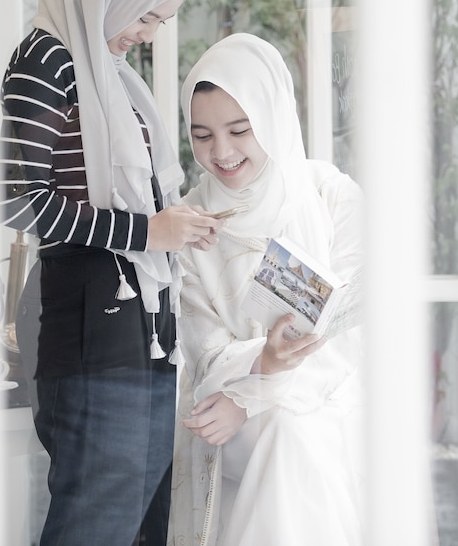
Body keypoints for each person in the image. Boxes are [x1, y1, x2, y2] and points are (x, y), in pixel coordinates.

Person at [0, 0, 222, 546]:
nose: (146, 35)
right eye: (144, 16)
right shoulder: (45, 60)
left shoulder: (111, 76)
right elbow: (15, 199)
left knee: (144, 525)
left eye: (159, 23)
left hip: (143, 327)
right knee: (98, 523)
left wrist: (178, 228)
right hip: (89, 318)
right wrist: (148, 232)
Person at [167, 33, 366, 545]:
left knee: (293, 432)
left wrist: (256, 394)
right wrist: (261, 369)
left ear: (273, 117)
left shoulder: (331, 196)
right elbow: (206, 354)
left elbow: (351, 332)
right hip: (227, 405)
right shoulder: (190, 224)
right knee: (288, 432)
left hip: (325, 396)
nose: (222, 152)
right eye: (202, 136)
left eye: (240, 130)